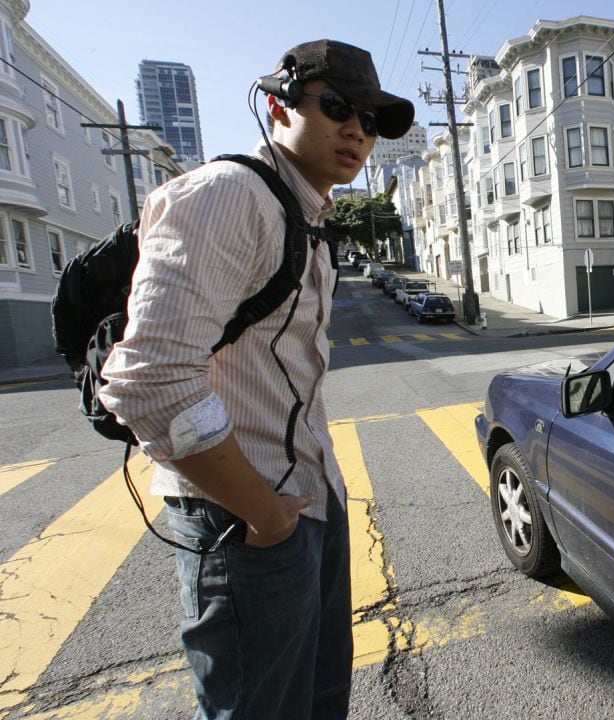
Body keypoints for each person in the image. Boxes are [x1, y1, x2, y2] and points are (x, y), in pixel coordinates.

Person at [99, 40, 413, 720]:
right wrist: (263, 514)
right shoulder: (227, 196)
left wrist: (306, 502)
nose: (357, 129)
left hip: (306, 503)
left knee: (319, 699)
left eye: (370, 118)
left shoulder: (305, 215)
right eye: (336, 107)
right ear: (278, 106)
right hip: (243, 519)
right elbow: (148, 379)